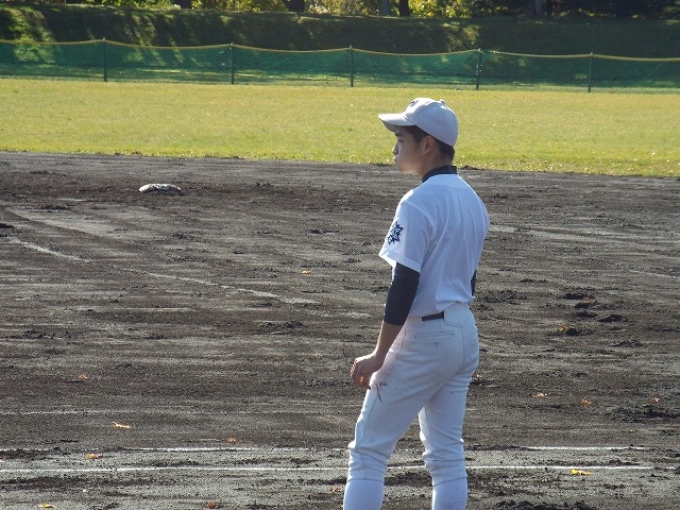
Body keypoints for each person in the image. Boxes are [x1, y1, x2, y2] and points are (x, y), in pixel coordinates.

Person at [344, 98, 490, 510]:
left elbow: (405, 284)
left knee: (368, 451)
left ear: (427, 145)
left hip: (424, 337)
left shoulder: (417, 202)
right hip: (463, 333)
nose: (394, 147)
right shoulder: (473, 201)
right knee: (446, 455)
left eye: (401, 138)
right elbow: (467, 279)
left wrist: (379, 354)